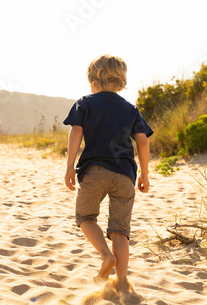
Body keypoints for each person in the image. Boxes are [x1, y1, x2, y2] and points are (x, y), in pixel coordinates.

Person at [63, 55, 152, 290]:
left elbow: (76, 132)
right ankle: (122, 281)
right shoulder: (131, 109)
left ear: (92, 81)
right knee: (120, 231)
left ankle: (105, 256)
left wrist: (70, 164)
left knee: (85, 217)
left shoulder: (85, 102)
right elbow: (142, 142)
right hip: (125, 175)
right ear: (121, 84)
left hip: (95, 171)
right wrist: (144, 173)